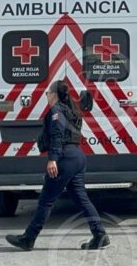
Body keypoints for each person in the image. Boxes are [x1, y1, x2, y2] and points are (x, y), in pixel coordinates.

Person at [6, 80, 109, 251]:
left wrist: (53, 159)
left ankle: (28, 238)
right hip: (77, 157)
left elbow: (57, 136)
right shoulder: (71, 110)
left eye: (47, 93)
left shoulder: (56, 112)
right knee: (81, 198)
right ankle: (99, 234)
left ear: (53, 94)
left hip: (64, 158)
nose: (46, 96)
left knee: (46, 201)